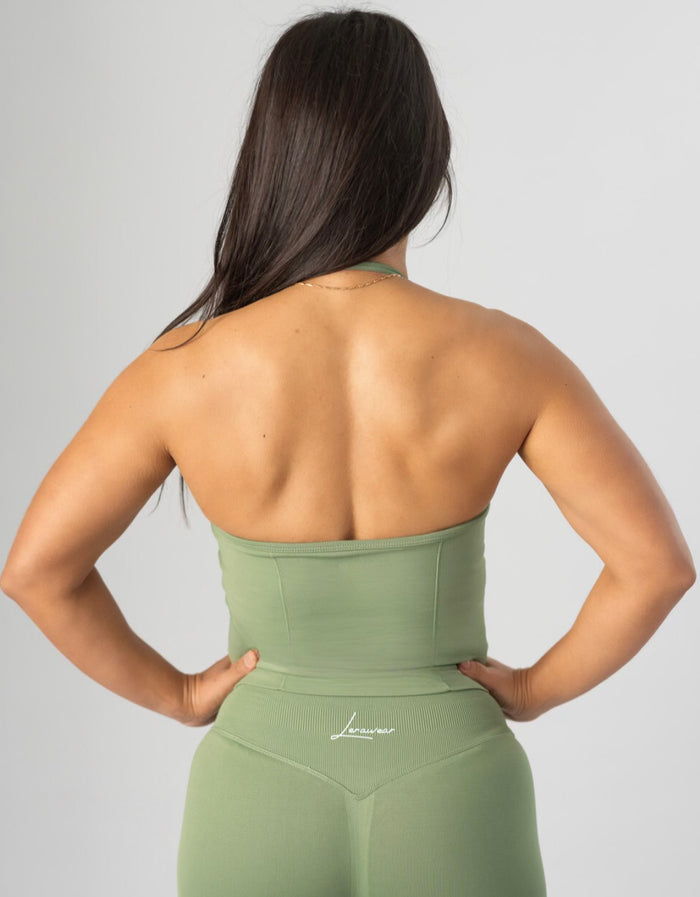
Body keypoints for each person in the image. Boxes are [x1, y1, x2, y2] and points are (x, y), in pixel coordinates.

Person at [1, 8, 695, 897]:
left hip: (257, 784)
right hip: (454, 783)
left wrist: (179, 695)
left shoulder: (181, 370)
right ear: (428, 159)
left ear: (275, 156)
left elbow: (38, 570)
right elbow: (656, 566)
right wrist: (531, 689)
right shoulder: (506, 356)